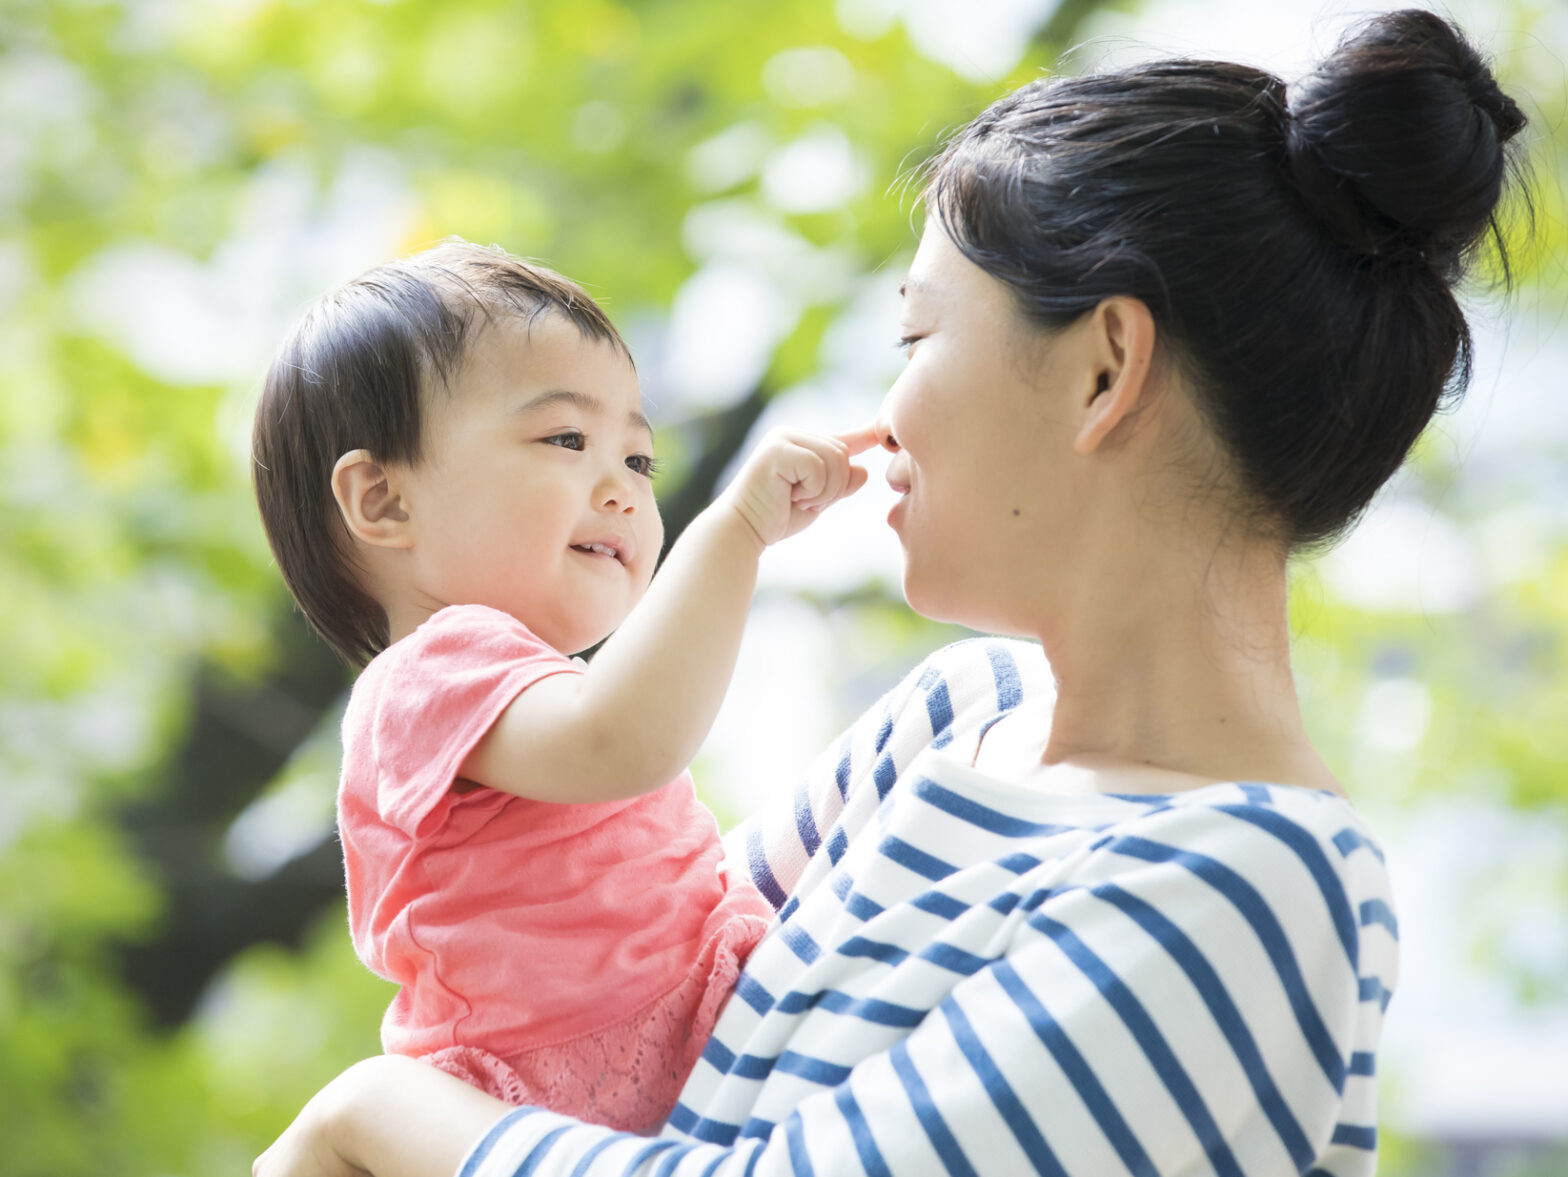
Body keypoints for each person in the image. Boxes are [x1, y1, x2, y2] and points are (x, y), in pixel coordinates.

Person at [254, 9, 1528, 1175]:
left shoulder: (1247, 885)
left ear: (1103, 371)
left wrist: (369, 1111)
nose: (883, 408)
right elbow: (638, 959)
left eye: (917, 335)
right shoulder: (950, 721)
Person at [251, 240, 874, 1133]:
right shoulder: (431, 674)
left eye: (640, 460)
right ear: (385, 500)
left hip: (674, 1061)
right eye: (567, 439)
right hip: (550, 1110)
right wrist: (736, 528)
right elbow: (621, 741)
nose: (622, 488)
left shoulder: (521, 684)